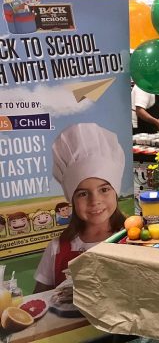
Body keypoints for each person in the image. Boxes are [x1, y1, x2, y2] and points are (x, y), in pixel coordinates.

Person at [34, 123, 126, 292]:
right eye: (83, 193)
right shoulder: (57, 249)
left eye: (104, 189)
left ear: (116, 192)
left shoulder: (134, 240)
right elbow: (38, 301)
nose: (94, 201)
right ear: (72, 199)